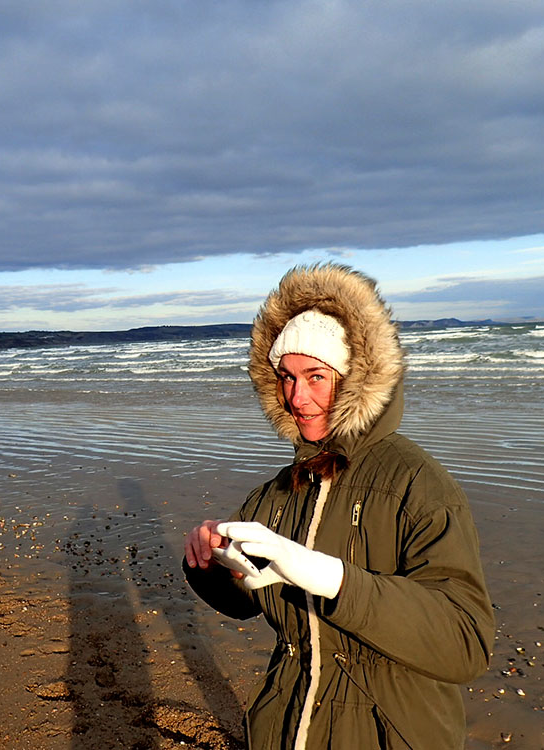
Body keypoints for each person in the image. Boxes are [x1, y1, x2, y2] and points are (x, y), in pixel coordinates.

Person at [183, 264, 494, 750]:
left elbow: (465, 643)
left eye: (316, 377)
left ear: (356, 380)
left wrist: (333, 579)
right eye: (286, 377)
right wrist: (212, 563)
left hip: (390, 732)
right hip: (285, 727)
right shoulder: (277, 493)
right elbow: (245, 603)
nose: (297, 397)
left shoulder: (417, 483)